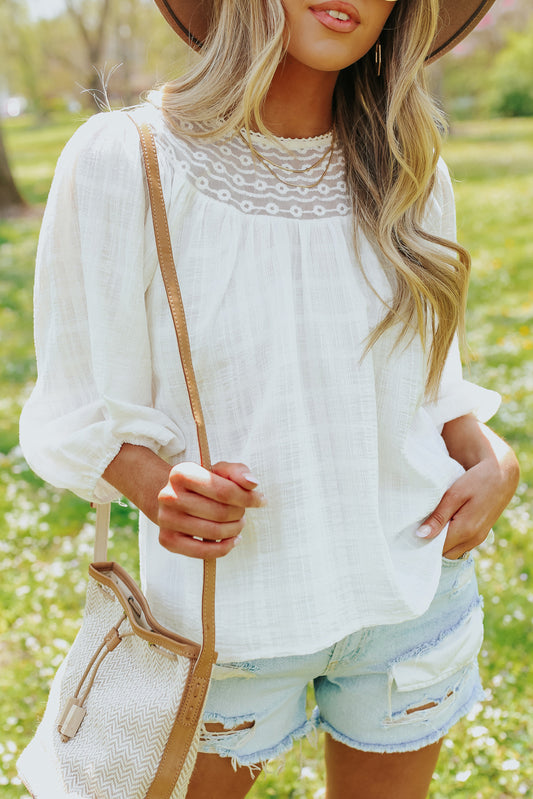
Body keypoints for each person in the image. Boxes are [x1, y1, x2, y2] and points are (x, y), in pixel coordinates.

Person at [20, 1, 519, 797]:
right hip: (225, 620)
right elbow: (77, 401)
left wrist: (492, 456)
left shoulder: (405, 164)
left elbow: (431, 379)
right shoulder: (130, 159)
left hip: (411, 599)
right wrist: (158, 489)